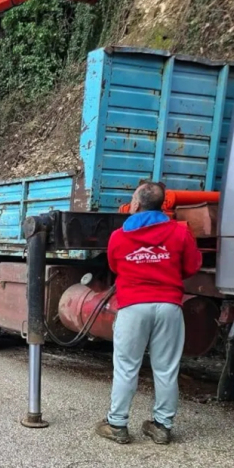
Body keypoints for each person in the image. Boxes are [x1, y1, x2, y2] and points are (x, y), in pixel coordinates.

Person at [95, 182, 202, 445]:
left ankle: (117, 424)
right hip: (169, 306)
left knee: (126, 368)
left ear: (136, 204)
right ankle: (162, 426)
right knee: (166, 369)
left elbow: (114, 265)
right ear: (162, 204)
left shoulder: (119, 236)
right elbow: (191, 266)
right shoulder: (179, 233)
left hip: (133, 307)